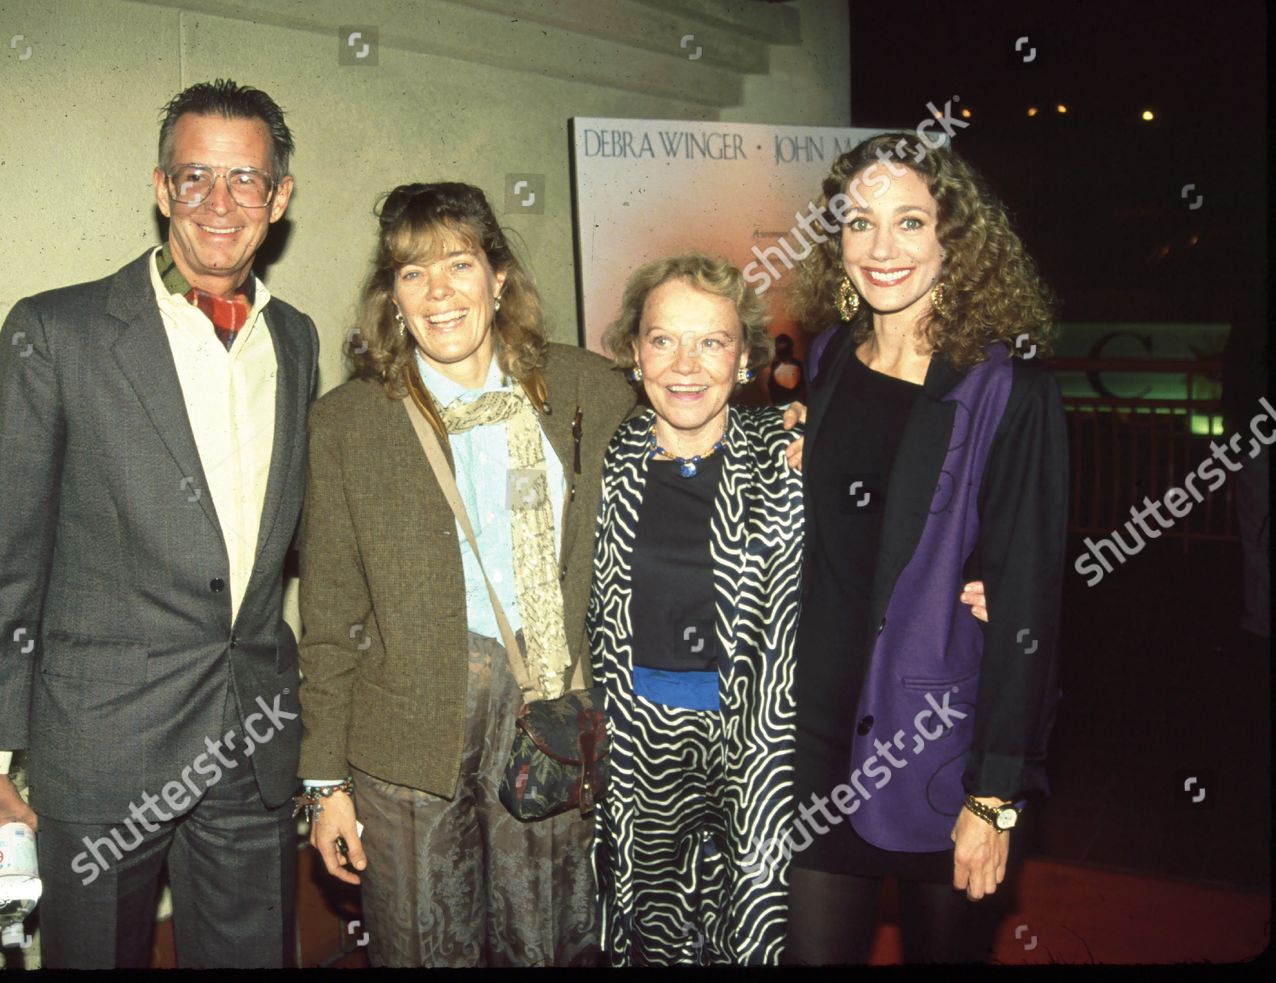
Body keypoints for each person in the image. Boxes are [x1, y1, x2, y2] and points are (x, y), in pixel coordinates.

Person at [0, 80, 317, 968]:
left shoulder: (298, 340)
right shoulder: (57, 330)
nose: (220, 205)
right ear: (161, 188)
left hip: (252, 740)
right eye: (196, 179)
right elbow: (8, 556)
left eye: (245, 180)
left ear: (280, 197)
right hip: (102, 745)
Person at [296, 182, 637, 967]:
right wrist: (324, 783)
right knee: (422, 946)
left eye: (458, 263)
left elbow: (688, 445)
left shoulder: (587, 387)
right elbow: (328, 618)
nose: (439, 291)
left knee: (549, 937)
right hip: (409, 727)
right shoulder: (348, 423)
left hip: (548, 706)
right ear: (392, 296)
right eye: (413, 273)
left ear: (499, 277)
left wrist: (783, 434)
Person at [778, 131, 1068, 963]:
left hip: (938, 747)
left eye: (910, 222)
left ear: (956, 239)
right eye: (859, 222)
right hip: (820, 739)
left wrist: (996, 795)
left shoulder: (1010, 390)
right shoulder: (829, 359)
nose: (882, 248)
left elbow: (1027, 613)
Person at [588, 253, 802, 965]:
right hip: (637, 742)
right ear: (633, 350)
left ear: (744, 357)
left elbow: (902, 528)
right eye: (662, 339)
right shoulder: (597, 460)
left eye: (711, 341)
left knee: (754, 935)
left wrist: (976, 575)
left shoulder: (793, 453)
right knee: (652, 942)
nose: (685, 364)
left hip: (760, 747)